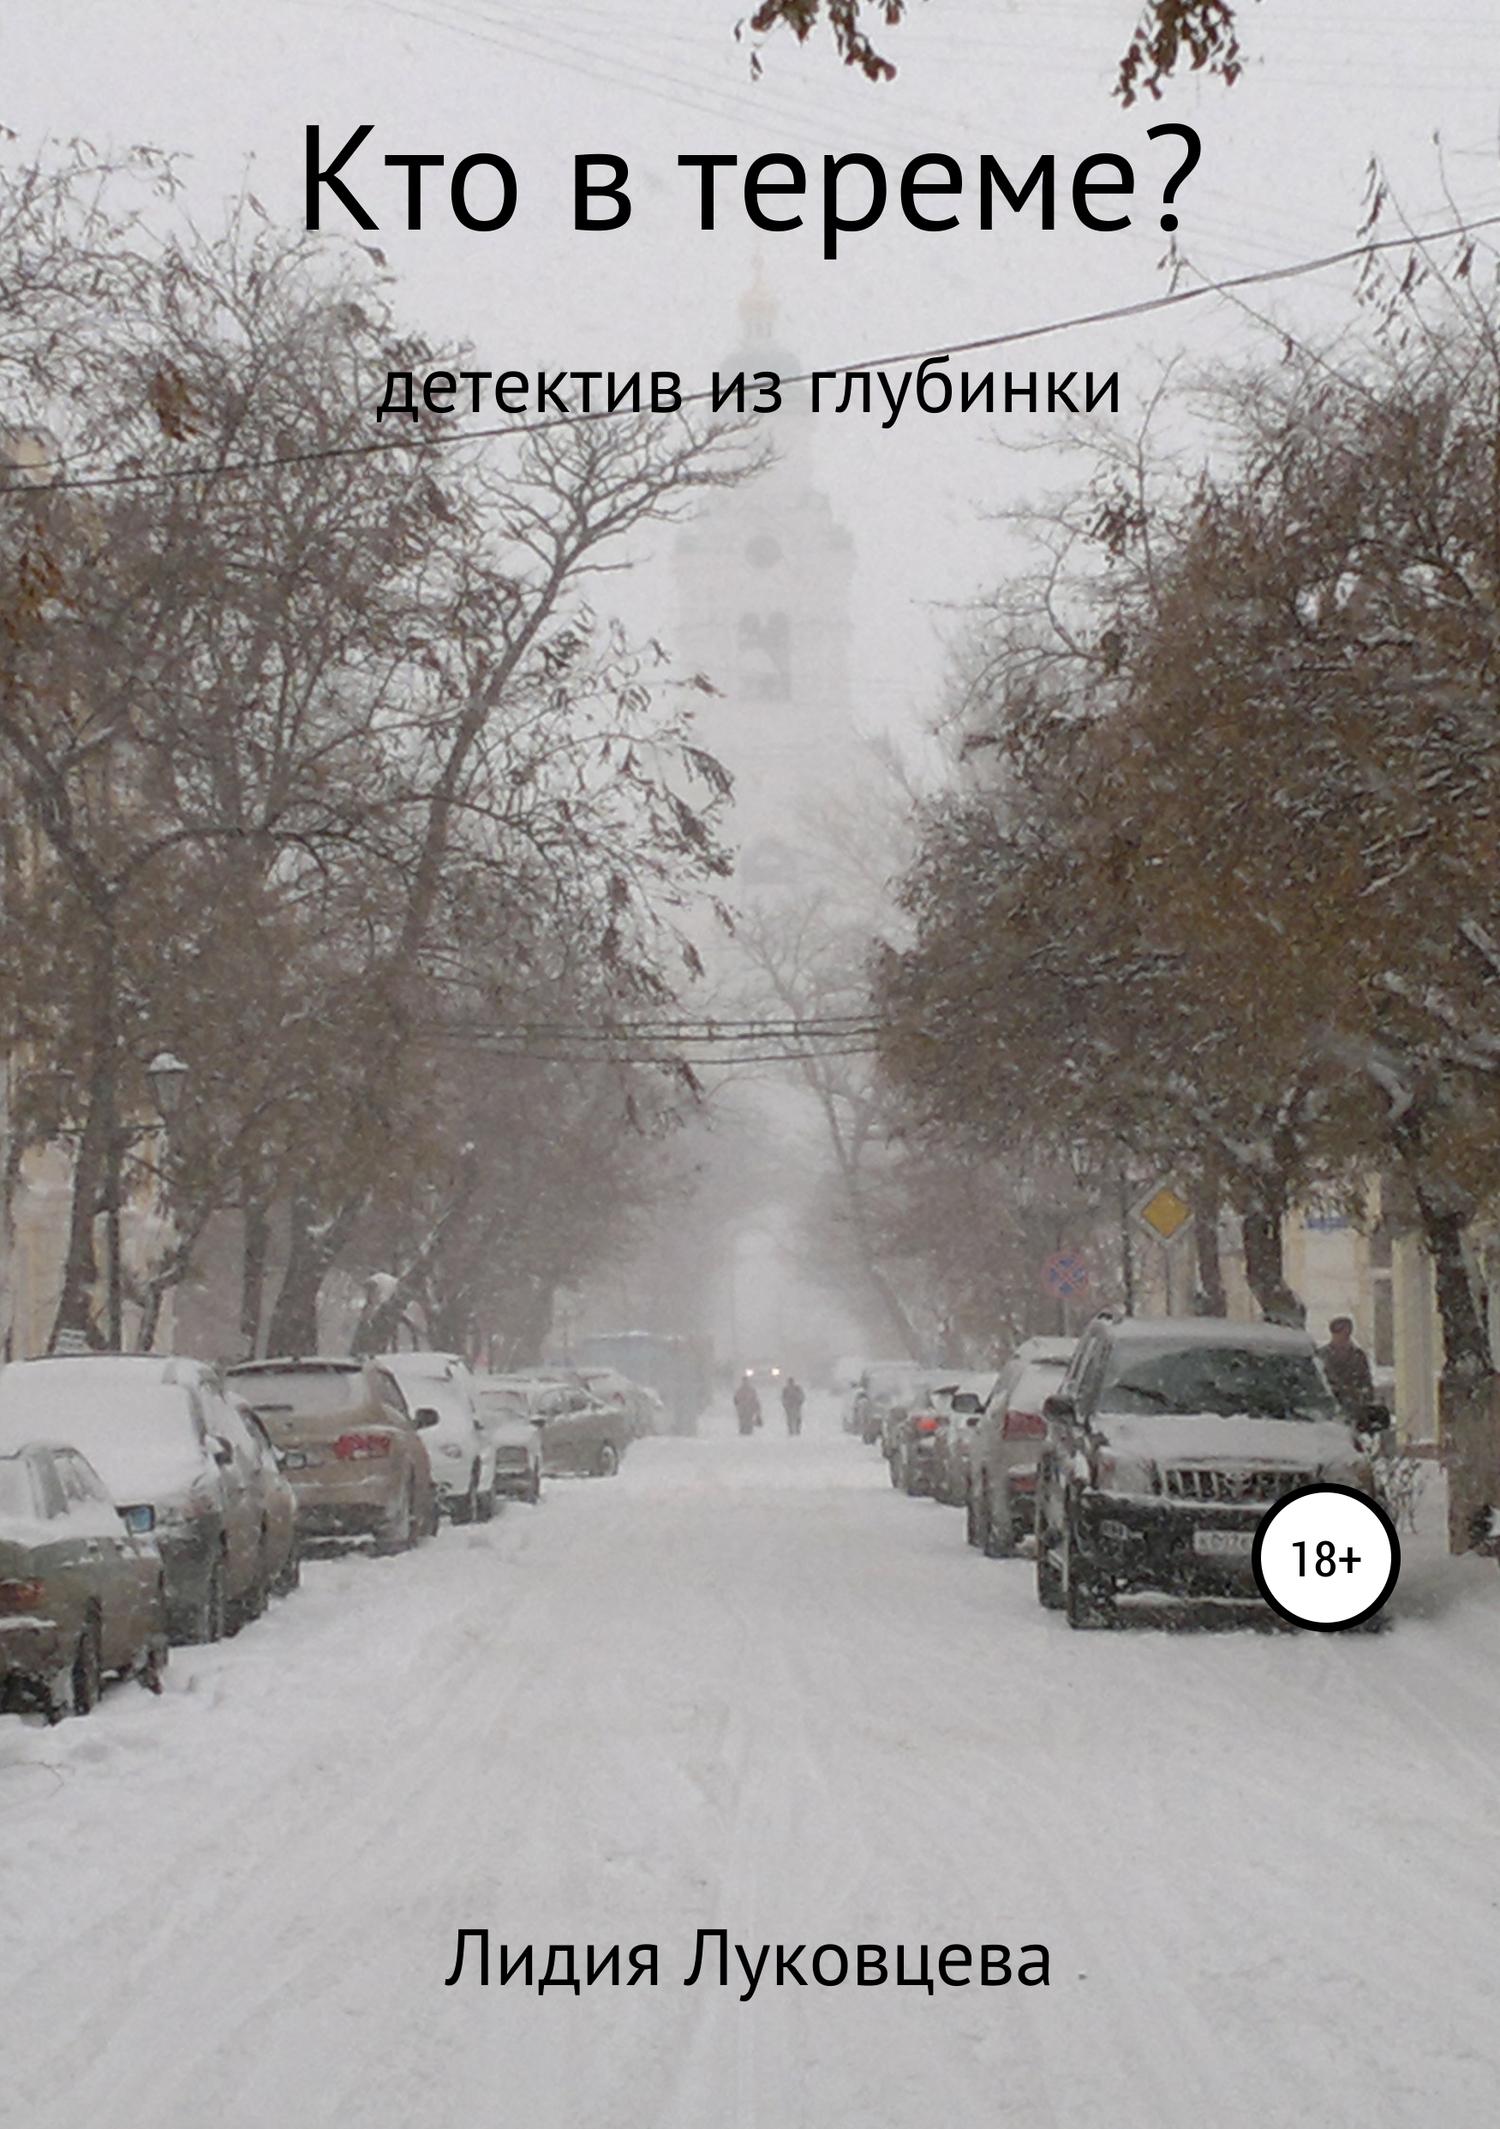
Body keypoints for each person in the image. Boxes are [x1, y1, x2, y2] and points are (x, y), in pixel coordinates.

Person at [1319, 1316, 1375, 1417]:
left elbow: (1366, 1383)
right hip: (1328, 1411)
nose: (1343, 1337)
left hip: (1354, 1410)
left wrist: (1359, 1395)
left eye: (1346, 1334)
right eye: (1340, 1333)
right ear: (1333, 1334)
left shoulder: (1358, 1356)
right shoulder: (1322, 1356)